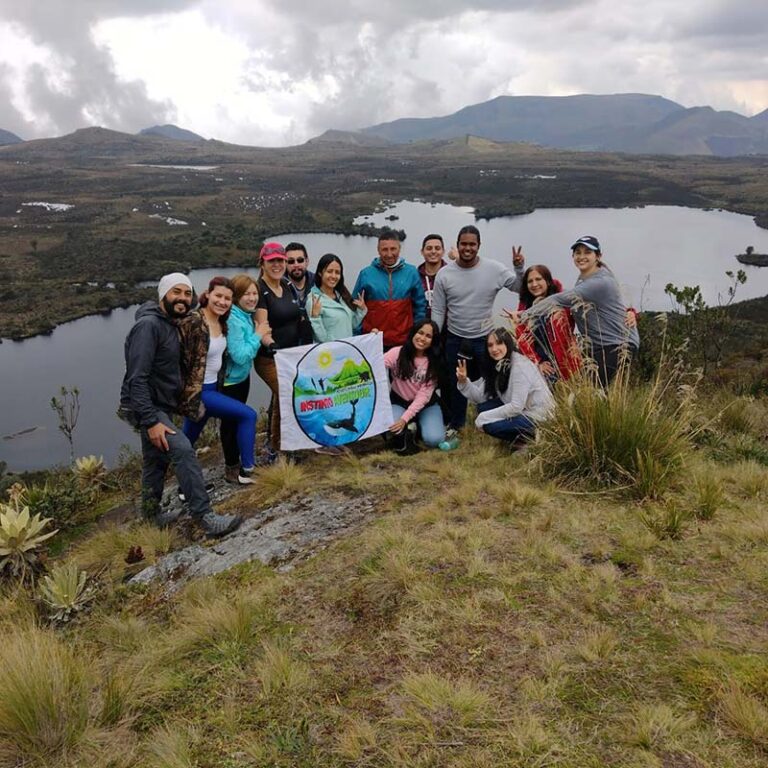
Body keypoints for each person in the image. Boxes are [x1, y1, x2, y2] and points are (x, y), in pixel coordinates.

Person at [118, 273, 242, 537]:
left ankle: (151, 515)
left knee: (155, 460)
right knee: (183, 450)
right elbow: (136, 378)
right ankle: (204, 516)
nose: (183, 299)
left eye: (187, 293)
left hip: (159, 405)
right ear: (163, 294)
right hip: (147, 406)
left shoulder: (171, 322)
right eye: (176, 292)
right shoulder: (148, 327)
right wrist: (151, 421)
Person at [431, 225, 526, 434]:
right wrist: (434, 336)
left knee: (492, 381)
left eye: (472, 244)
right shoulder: (444, 274)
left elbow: (519, 288)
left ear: (479, 245)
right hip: (455, 338)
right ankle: (457, 425)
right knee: (457, 382)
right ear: (457, 245)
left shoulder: (494, 269)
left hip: (486, 339)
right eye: (463, 244)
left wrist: (519, 268)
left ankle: (491, 421)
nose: (467, 248)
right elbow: (438, 309)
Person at [509, 236, 639, 387]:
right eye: (578, 252)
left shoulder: (598, 282)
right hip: (600, 346)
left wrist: (523, 315)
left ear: (598, 256)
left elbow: (559, 299)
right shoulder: (584, 279)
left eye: (587, 252)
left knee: (592, 390)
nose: (581, 256)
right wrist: (630, 311)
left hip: (616, 344)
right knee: (589, 391)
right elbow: (611, 304)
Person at [179, 277, 260, 486]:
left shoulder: (221, 322)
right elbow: (175, 353)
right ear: (208, 294)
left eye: (227, 298)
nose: (222, 302)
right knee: (248, 415)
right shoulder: (194, 321)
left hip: (215, 386)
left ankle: (184, 488)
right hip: (201, 392)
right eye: (218, 296)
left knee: (185, 441)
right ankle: (248, 469)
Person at [456, 327, 554, 445]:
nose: (494, 349)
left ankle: (530, 440)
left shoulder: (520, 366)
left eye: (499, 343)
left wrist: (483, 418)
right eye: (490, 345)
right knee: (483, 408)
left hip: (538, 416)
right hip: (521, 409)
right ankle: (522, 439)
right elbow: (479, 397)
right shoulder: (497, 364)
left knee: (490, 425)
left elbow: (516, 407)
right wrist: (463, 381)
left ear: (508, 344)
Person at [219, 273, 273, 482]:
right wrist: (258, 334)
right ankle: (232, 468)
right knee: (230, 424)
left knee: (235, 422)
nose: (252, 298)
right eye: (246, 294)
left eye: (255, 293)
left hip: (240, 378)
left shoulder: (244, 315)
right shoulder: (233, 320)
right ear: (236, 296)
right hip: (230, 382)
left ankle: (241, 463)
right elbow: (240, 356)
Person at [254, 242, 306, 455]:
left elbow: (297, 316)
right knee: (288, 395)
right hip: (269, 359)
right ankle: (281, 446)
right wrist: (272, 345)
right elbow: (262, 327)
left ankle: (276, 446)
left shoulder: (286, 284)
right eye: (271, 261)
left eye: (280, 260)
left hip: (290, 357)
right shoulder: (260, 290)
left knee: (280, 401)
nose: (277, 265)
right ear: (262, 264)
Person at [352, 232, 427, 349]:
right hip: (374, 339)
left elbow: (420, 306)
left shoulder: (411, 272)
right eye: (384, 249)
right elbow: (355, 306)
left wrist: (416, 333)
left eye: (393, 249)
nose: (389, 254)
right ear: (378, 250)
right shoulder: (366, 274)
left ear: (399, 249)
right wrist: (359, 335)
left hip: (404, 341)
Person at [384, 320, 446, 451]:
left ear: (433, 341)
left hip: (426, 405)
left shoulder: (434, 362)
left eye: (428, 336)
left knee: (434, 440)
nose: (422, 338)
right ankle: (411, 426)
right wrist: (374, 338)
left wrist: (404, 419)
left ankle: (416, 425)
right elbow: (377, 364)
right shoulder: (397, 352)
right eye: (420, 333)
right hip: (399, 402)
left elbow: (423, 396)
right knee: (391, 429)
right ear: (413, 333)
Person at [515, 265, 581, 382]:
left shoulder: (562, 301)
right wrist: (538, 362)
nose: (534, 284)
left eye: (538, 279)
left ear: (548, 281)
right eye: (530, 281)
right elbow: (523, 342)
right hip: (545, 365)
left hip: (566, 361)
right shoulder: (525, 307)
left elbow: (584, 316)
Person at [308, 253, 368, 342]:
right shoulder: (314, 300)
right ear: (320, 273)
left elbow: (351, 325)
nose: (333, 276)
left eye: (337, 272)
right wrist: (315, 318)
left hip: (346, 348)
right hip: (329, 350)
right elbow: (321, 338)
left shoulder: (342, 296)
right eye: (329, 271)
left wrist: (361, 310)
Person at [285, 242, 315, 344]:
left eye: (300, 260)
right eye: (291, 261)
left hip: (314, 342)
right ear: (285, 263)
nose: (296, 264)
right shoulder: (279, 285)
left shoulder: (317, 282)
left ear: (307, 261)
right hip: (288, 344)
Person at [418, 234, 448, 318]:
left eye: (437, 248)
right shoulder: (415, 277)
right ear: (422, 252)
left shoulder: (451, 275)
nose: (433, 251)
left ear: (443, 252)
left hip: (448, 324)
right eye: (429, 248)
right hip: (421, 324)